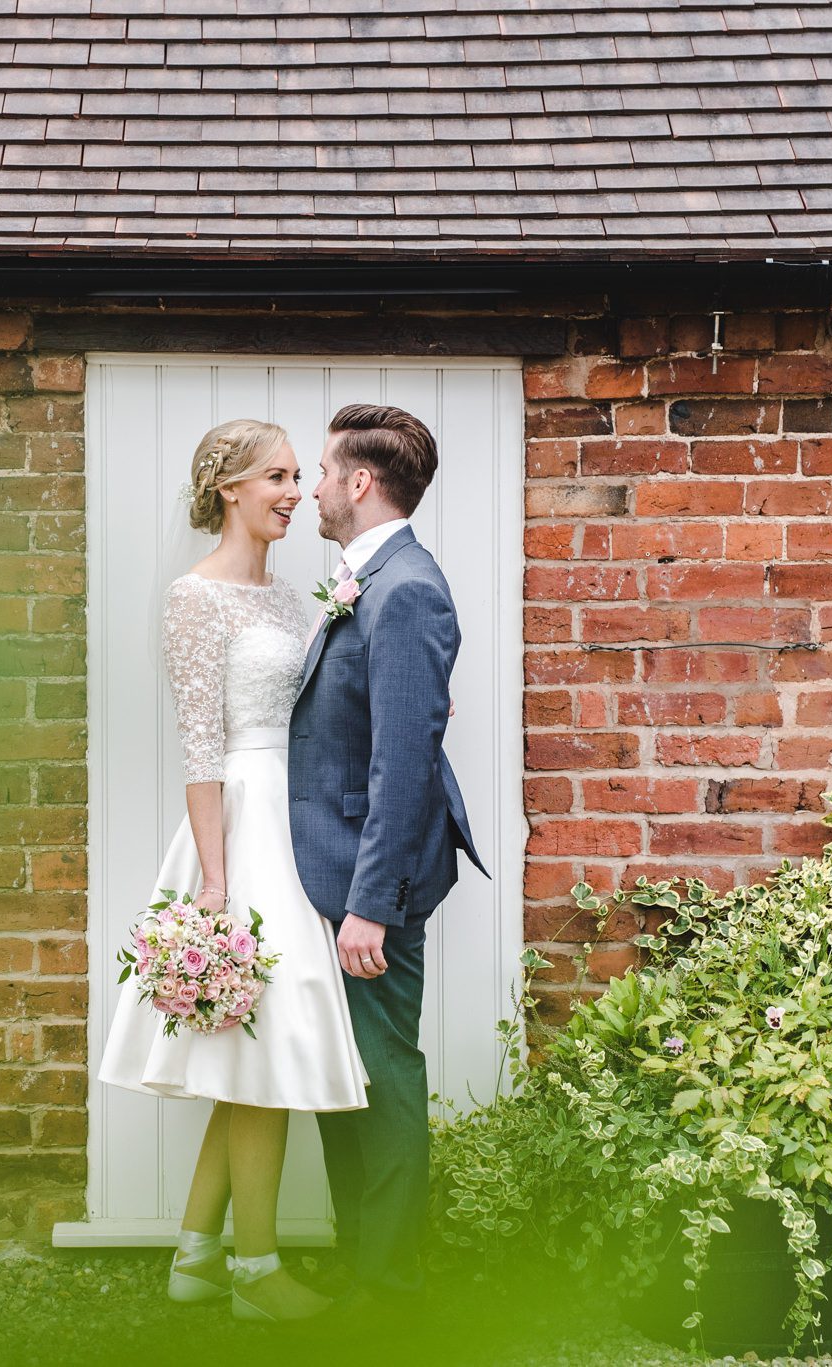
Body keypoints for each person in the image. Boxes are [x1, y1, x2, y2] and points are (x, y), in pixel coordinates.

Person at [96, 418, 368, 1325]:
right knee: (263, 1057)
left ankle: (196, 1255)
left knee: (259, 1053)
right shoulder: (194, 596)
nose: (296, 491)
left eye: (299, 475)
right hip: (238, 832)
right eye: (276, 477)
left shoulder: (296, 602)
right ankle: (255, 1266)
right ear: (229, 489)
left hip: (296, 819)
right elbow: (201, 747)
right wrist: (213, 883)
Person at [290, 403, 487, 1312]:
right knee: (344, 1073)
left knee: (382, 1070)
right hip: (336, 867)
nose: (316, 488)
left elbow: (404, 756)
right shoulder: (367, 576)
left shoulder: (406, 587)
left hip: (373, 880)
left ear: (361, 482)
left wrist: (370, 902)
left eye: (326, 472)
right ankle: (360, 1260)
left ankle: (389, 1282)